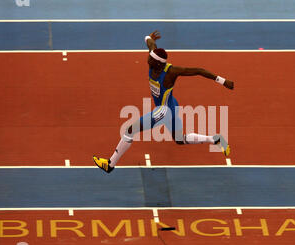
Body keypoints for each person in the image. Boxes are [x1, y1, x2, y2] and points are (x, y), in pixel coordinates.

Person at [93, 30, 234, 173]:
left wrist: (222, 81)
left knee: (130, 129)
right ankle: (215, 139)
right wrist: (149, 37)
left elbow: (198, 70)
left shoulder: (171, 72)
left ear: (159, 64)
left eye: (151, 60)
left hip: (165, 110)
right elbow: (150, 44)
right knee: (180, 139)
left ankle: (110, 164)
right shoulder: (154, 60)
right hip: (172, 106)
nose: (148, 59)